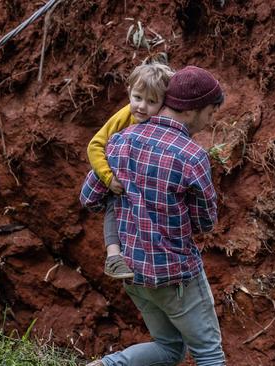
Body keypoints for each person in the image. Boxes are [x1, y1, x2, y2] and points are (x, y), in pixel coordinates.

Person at [80, 65, 226, 366]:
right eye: (210, 113)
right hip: (176, 275)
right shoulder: (192, 156)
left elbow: (89, 198)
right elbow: (206, 223)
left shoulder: (121, 140)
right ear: (191, 110)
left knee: (170, 348)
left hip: (133, 272)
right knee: (209, 353)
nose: (211, 121)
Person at [87, 62, 174, 279]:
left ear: (164, 103)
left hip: (140, 182)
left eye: (151, 101)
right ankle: (114, 256)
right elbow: (95, 145)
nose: (142, 107)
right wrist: (108, 178)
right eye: (137, 97)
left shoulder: (162, 122)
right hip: (116, 178)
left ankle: (141, 258)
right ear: (129, 92)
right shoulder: (125, 116)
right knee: (113, 207)